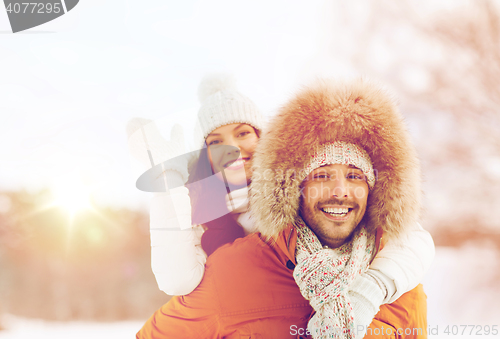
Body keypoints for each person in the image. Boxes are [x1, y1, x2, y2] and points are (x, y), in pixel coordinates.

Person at [135, 79, 430, 338]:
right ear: (296, 187)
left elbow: (414, 240)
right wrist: (168, 184)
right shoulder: (214, 233)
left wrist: (372, 288)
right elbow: (176, 280)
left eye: (355, 176)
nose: (339, 191)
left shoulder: (399, 279)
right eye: (322, 175)